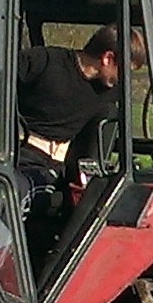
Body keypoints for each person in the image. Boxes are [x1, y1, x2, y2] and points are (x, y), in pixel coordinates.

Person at [10, 26, 130, 213]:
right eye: (123, 71)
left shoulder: (110, 95)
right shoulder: (44, 61)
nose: (123, 79)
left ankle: (3, 243)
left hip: (45, 167)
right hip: (6, 153)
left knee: (12, 192)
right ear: (107, 59)